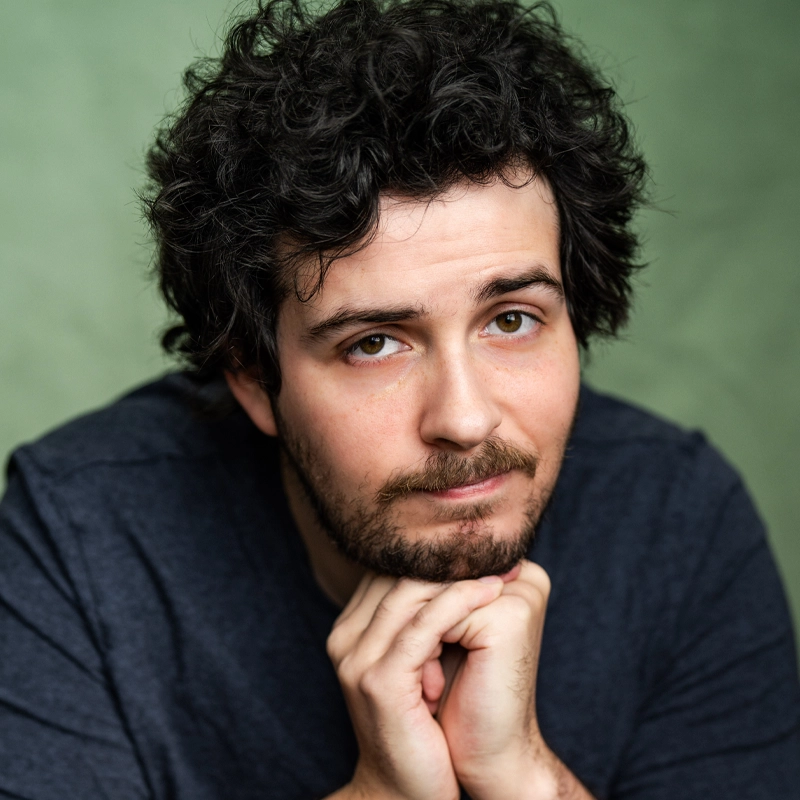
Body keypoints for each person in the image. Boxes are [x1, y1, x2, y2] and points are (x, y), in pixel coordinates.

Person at [0, 0, 798, 797]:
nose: (463, 419)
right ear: (252, 377)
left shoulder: (679, 520)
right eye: (373, 343)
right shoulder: (82, 533)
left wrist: (520, 778)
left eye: (512, 320)